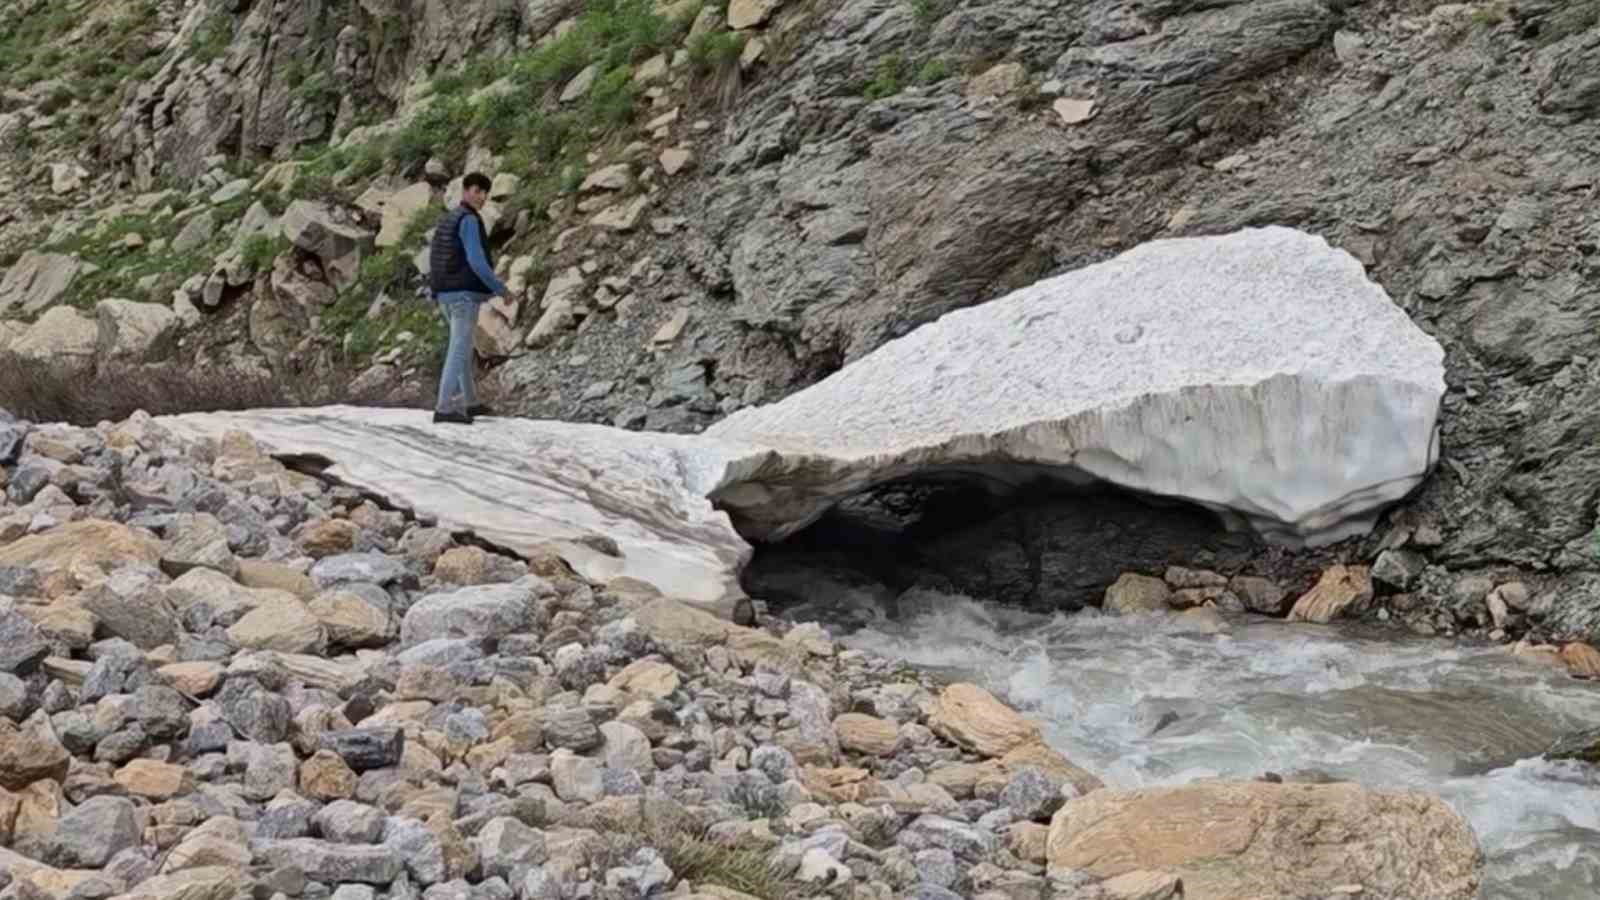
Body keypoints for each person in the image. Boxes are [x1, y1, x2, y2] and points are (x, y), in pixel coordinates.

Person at [427, 172, 510, 425]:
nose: (481, 197)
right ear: (465, 191)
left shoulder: (448, 219)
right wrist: (500, 289)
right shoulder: (470, 221)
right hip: (463, 295)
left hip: (444, 294)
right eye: (477, 191)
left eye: (485, 192)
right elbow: (477, 261)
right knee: (459, 348)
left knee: (462, 347)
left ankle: (470, 403)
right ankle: (443, 407)